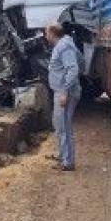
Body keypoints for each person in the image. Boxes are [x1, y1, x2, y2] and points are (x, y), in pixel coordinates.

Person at [45, 22, 82, 171]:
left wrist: (65, 91)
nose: (45, 36)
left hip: (64, 93)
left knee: (64, 127)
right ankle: (62, 154)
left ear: (53, 34)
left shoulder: (64, 46)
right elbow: (80, 62)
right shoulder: (64, 43)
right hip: (61, 91)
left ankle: (68, 162)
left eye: (46, 33)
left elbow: (73, 69)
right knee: (59, 125)